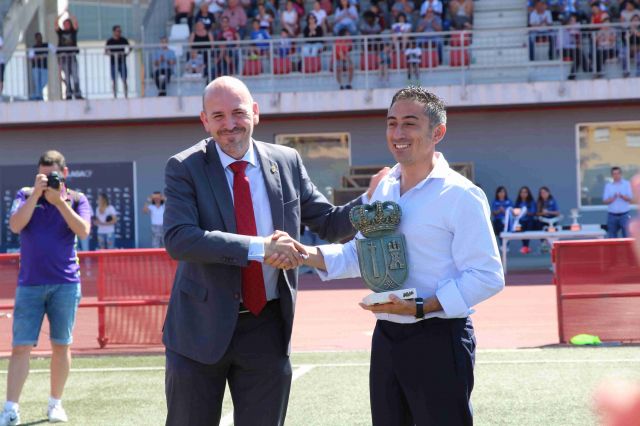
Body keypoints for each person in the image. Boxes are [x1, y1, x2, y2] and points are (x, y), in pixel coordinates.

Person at [161, 76, 385, 425]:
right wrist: (259, 248)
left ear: (255, 112)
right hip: (198, 330)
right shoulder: (184, 167)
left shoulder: (287, 161)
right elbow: (180, 238)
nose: (229, 124)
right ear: (204, 121)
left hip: (267, 326)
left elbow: (328, 223)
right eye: (217, 116)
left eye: (237, 113)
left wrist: (370, 201)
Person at [290, 87, 505, 426]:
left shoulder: (461, 195)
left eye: (409, 123)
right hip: (387, 338)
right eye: (391, 124)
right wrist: (304, 253)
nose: (398, 134)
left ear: (438, 132)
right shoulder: (385, 188)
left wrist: (422, 307)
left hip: (440, 338)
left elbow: (487, 275)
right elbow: (361, 254)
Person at [0, 150, 91, 426]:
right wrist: (37, 196)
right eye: (42, 173)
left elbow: (84, 230)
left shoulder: (77, 199)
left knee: (61, 345)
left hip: (65, 283)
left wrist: (59, 203)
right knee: (20, 347)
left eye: (52, 174)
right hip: (30, 283)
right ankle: (10, 409)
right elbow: (15, 225)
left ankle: (55, 404)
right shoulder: (25, 195)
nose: (47, 178)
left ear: (64, 173)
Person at [54, 12, 83, 100]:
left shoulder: (73, 32)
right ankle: (68, 94)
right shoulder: (60, 32)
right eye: (64, 24)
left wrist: (70, 14)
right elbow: (55, 23)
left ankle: (77, 93)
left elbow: (76, 23)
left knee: (75, 75)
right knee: (66, 77)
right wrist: (62, 14)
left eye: (67, 24)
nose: (66, 25)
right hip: (63, 57)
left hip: (72, 56)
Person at [603, 166, 632, 238]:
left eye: (617, 173)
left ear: (621, 174)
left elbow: (630, 198)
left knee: (627, 237)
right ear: (612, 175)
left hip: (624, 215)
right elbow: (605, 201)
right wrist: (613, 198)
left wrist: (622, 196)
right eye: (614, 174)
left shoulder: (627, 184)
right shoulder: (608, 186)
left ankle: (626, 250)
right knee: (612, 238)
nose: (616, 175)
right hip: (612, 216)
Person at [105, 25, 130, 99]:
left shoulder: (123, 40)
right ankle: (115, 96)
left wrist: (126, 54)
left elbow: (130, 48)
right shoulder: (110, 41)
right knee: (114, 80)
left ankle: (126, 95)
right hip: (113, 63)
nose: (119, 33)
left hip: (122, 62)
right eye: (118, 31)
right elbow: (106, 51)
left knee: (124, 79)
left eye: (120, 31)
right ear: (114, 32)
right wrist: (112, 54)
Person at [514, 185, 537, 254]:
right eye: (522, 192)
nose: (523, 194)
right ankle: (525, 246)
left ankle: (526, 246)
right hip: (520, 221)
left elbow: (533, 213)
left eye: (525, 192)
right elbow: (515, 213)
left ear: (528, 193)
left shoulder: (531, 202)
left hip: (529, 221)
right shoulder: (518, 203)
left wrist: (526, 212)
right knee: (518, 227)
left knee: (529, 225)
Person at [28, 33, 51, 101]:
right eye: (37, 37)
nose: (39, 38)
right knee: (37, 82)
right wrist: (38, 57)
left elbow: (55, 50)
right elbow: (30, 57)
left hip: (44, 67)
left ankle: (37, 95)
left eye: (40, 37)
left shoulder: (46, 45)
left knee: (44, 81)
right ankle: (38, 96)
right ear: (35, 39)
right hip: (36, 67)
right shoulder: (33, 47)